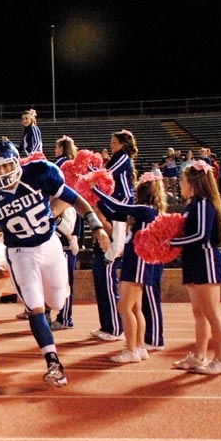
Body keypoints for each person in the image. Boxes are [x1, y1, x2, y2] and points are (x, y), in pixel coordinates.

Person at [0, 138, 111, 386]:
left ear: (16, 163)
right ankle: (53, 362)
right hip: (20, 254)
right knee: (35, 307)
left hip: (49, 245)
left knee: (57, 301)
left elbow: (75, 198)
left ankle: (53, 317)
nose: (0, 173)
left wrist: (96, 225)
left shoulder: (39, 173)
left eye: (4, 166)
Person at [93, 173, 167, 362]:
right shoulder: (146, 211)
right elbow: (114, 213)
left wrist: (95, 189)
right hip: (135, 261)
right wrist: (95, 200)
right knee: (135, 308)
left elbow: (118, 207)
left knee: (124, 307)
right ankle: (139, 347)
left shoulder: (145, 210)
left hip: (138, 263)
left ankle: (131, 349)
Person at [169, 161, 221, 375]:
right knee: (198, 312)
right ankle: (199, 356)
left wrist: (171, 242)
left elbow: (201, 235)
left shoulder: (204, 203)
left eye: (183, 181)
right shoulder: (193, 204)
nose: (180, 185)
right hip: (194, 261)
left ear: (193, 183)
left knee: (212, 313)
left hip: (206, 261)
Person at [91, 130, 137, 342]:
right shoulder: (117, 159)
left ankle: (115, 327)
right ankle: (107, 325)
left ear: (123, 144)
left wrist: (90, 171)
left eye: (114, 142)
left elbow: (105, 175)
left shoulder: (123, 159)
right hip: (112, 210)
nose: (111, 145)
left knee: (108, 276)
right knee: (101, 275)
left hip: (120, 211)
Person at [51, 135, 80, 331]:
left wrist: (70, 236)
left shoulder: (66, 201)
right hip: (61, 243)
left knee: (66, 282)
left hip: (66, 245)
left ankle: (66, 318)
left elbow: (67, 226)